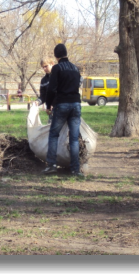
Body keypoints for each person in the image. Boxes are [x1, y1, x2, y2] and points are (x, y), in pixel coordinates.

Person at [42, 43, 84, 177]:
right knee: (74, 138)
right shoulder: (75, 68)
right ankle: (75, 169)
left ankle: (52, 165)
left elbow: (52, 89)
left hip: (62, 104)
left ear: (56, 56)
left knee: (54, 134)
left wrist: (48, 105)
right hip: (76, 104)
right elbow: (77, 85)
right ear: (66, 53)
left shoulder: (57, 68)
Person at [34, 57, 55, 124]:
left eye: (46, 66)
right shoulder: (44, 80)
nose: (44, 69)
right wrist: (38, 101)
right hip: (51, 111)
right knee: (52, 131)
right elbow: (43, 96)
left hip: (61, 108)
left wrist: (54, 104)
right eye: (43, 67)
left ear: (52, 64)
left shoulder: (59, 75)